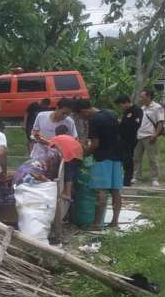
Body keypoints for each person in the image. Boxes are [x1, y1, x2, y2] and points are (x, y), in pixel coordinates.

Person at [73, 99, 122, 230]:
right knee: (115, 191)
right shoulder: (110, 114)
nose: (81, 118)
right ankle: (114, 222)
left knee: (101, 191)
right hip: (117, 157)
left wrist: (81, 155)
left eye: (79, 115)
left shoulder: (94, 120)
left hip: (102, 158)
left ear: (84, 111)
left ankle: (96, 224)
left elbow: (95, 144)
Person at [133, 89, 164, 186]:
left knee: (152, 158)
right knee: (136, 158)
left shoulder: (157, 107)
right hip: (139, 135)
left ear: (149, 96)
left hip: (150, 135)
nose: (140, 98)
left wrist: (155, 135)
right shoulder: (142, 108)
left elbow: (160, 122)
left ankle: (154, 178)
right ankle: (136, 176)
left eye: (142, 96)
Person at [48, 124, 83, 201]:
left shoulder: (55, 138)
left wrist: (62, 155)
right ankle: (71, 192)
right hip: (79, 155)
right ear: (66, 132)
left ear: (56, 133)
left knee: (68, 174)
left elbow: (55, 147)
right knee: (73, 173)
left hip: (69, 155)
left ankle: (68, 194)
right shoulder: (71, 138)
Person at [115, 93, 142, 187]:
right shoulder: (126, 112)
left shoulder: (137, 110)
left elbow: (135, 125)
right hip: (122, 139)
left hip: (130, 139)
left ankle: (127, 181)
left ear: (126, 102)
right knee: (122, 159)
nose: (121, 107)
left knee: (128, 160)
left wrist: (122, 124)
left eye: (121, 105)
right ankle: (122, 179)